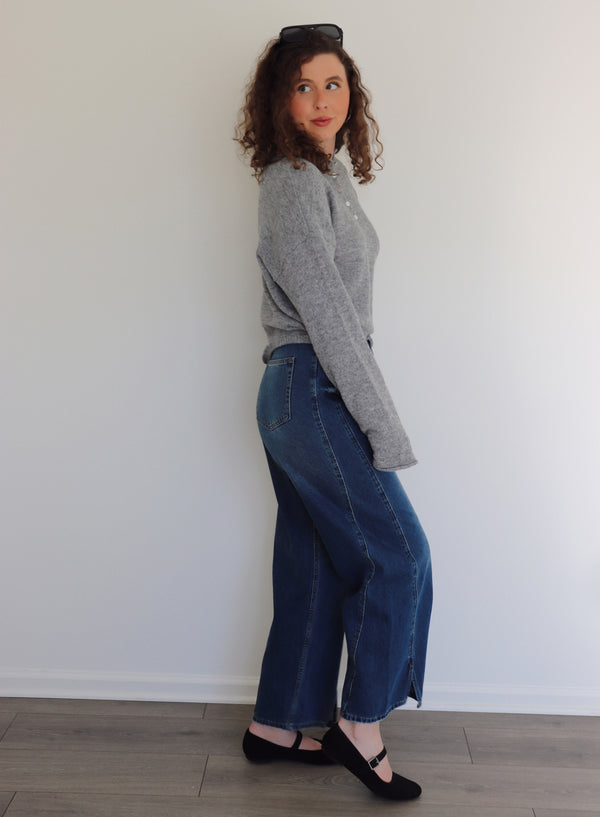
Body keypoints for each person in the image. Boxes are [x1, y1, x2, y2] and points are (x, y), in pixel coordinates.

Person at [235, 23, 433, 801]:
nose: (321, 99)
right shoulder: (292, 180)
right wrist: (384, 425)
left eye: (334, 83)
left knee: (314, 563)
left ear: (353, 95)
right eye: (303, 85)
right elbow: (330, 320)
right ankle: (360, 726)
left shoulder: (326, 177)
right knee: (400, 556)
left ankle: (278, 724)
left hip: (302, 391)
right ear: (279, 100)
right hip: (311, 386)